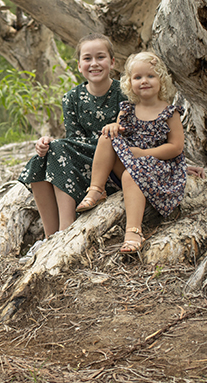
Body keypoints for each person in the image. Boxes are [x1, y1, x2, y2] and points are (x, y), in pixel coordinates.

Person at [16, 33, 125, 262]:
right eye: (87, 58)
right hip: (85, 159)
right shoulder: (72, 97)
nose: (94, 63)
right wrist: (46, 146)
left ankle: (65, 230)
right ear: (79, 66)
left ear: (112, 62)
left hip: (114, 164)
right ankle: (50, 236)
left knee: (59, 149)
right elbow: (75, 139)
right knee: (42, 158)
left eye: (100, 57)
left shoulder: (123, 93)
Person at [78, 51, 187, 253]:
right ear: (129, 83)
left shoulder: (170, 112)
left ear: (161, 80)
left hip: (159, 170)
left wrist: (144, 154)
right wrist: (113, 127)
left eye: (150, 76)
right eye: (137, 77)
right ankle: (96, 189)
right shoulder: (128, 109)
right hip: (133, 160)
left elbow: (176, 147)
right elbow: (120, 137)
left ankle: (133, 232)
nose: (144, 81)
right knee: (107, 137)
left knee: (131, 175)